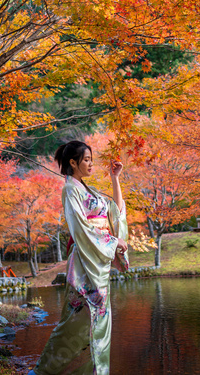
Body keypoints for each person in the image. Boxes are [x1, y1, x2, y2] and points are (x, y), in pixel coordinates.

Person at [28, 140, 129, 375]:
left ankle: (96, 371)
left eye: (91, 159)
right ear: (73, 163)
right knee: (77, 319)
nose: (91, 163)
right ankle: (43, 371)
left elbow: (114, 211)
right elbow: (81, 228)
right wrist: (113, 242)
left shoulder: (86, 188)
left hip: (96, 261)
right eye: (86, 160)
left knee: (96, 317)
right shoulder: (70, 189)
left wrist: (115, 179)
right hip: (85, 260)